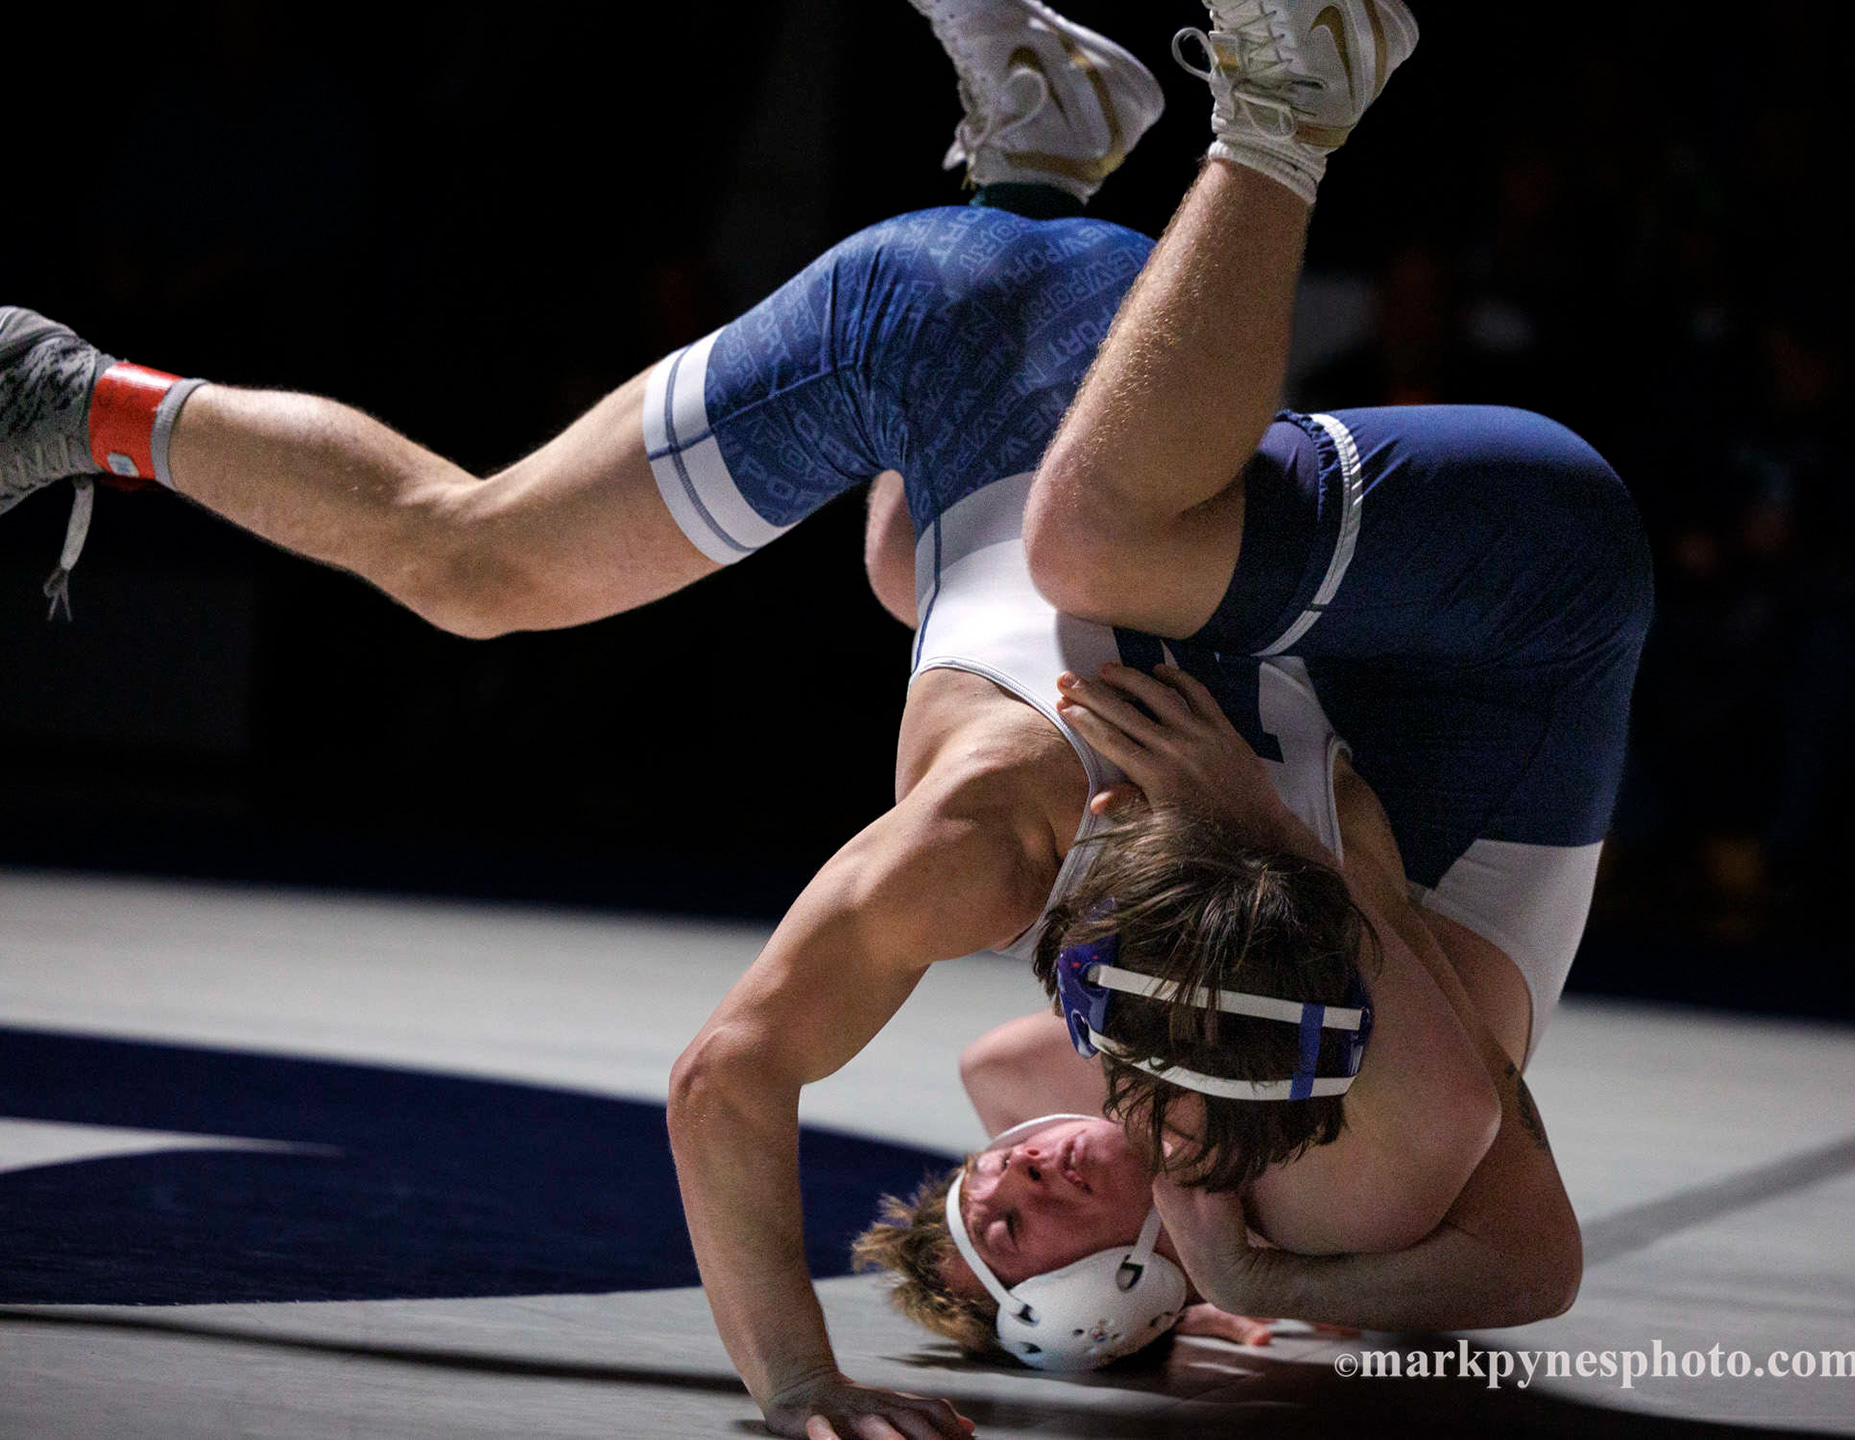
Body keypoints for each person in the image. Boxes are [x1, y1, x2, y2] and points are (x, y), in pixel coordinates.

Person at [0, 0, 1649, 1433]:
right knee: (485, 559)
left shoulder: (1013, 880)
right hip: (1089, 404)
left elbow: (877, 1078)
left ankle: (1046, 154)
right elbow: (744, 1078)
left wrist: (845, 1374)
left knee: (588, 564)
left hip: (987, 367)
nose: (1032, 1177)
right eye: (1046, 1219)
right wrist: (816, 1368)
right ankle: (1261, 124)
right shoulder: (1119, 952)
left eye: (999, 1212)